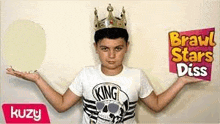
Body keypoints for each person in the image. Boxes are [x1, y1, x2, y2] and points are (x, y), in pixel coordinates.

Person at [6, 4, 202, 124]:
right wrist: (37, 79)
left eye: (117, 48)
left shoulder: (136, 76)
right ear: (96, 47)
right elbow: (61, 105)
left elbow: (157, 105)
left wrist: (181, 81)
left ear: (127, 47)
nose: (111, 56)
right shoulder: (86, 75)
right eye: (105, 49)